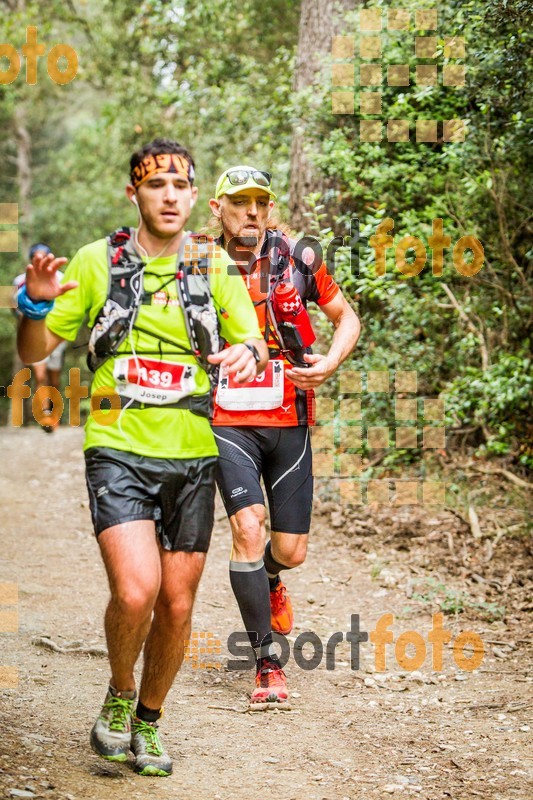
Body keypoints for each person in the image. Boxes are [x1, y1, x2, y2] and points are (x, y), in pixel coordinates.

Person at [17, 140, 267, 776]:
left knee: (178, 606)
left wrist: (249, 355)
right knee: (137, 591)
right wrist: (34, 304)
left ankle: (150, 720)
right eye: (156, 185)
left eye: (181, 186)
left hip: (192, 450)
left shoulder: (213, 264)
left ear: (193, 193)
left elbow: (253, 342)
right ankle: (121, 693)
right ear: (135, 194)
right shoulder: (97, 261)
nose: (170, 196)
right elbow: (33, 350)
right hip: (117, 443)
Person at [208, 166, 361, 706]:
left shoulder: (300, 257)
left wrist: (331, 363)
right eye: (239, 201)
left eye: (260, 202)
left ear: (269, 208)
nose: (250, 211)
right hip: (225, 418)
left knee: (290, 551)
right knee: (247, 529)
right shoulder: (194, 263)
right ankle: (266, 664)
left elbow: (347, 318)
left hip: (289, 414)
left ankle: (272, 578)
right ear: (217, 207)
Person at [13, 244, 68, 432]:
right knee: (40, 375)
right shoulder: (21, 280)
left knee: (54, 378)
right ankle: (45, 414)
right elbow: (14, 308)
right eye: (36, 256)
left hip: (55, 334)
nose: (40, 259)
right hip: (36, 333)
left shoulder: (61, 279)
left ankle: (54, 415)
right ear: (30, 259)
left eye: (43, 255)